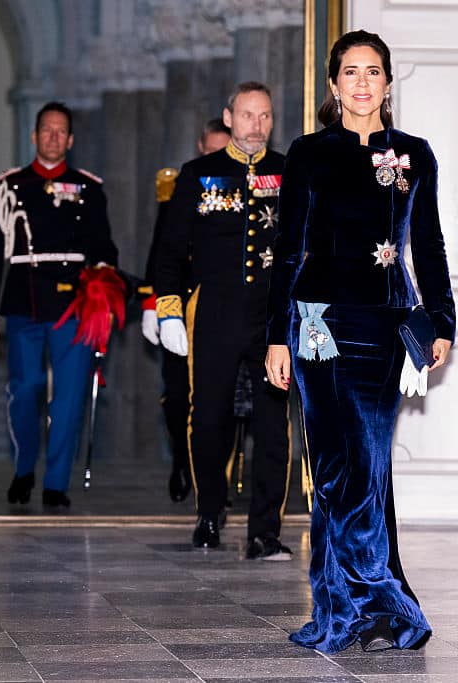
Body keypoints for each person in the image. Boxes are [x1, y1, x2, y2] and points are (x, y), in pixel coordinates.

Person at [265, 30, 455, 654]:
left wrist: (443, 324)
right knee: (335, 466)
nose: (363, 82)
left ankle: (369, 602)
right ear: (333, 86)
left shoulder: (415, 153)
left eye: (373, 71)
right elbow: (286, 251)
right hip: (319, 322)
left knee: (369, 464)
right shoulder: (308, 153)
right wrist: (277, 337)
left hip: (385, 323)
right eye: (351, 72)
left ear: (388, 82)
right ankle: (355, 603)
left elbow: (426, 244)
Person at [156, 83, 292, 555]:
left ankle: (264, 532)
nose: (258, 124)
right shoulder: (199, 174)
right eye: (249, 115)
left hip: (273, 319)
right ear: (229, 117)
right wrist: (168, 309)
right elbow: (170, 250)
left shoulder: (288, 172)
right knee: (208, 419)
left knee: (273, 426)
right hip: (213, 312)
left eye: (266, 116)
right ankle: (209, 513)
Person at [0, 101, 118, 509]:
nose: (54, 137)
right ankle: (24, 469)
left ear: (71, 140)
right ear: (34, 136)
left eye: (61, 131)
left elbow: (104, 246)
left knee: (70, 395)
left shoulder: (89, 187)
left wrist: (105, 286)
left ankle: (56, 482)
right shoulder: (9, 185)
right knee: (26, 389)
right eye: (47, 130)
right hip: (25, 300)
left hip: (75, 303)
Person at [140, 117, 231, 503]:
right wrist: (152, 304)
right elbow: (163, 251)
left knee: (225, 400)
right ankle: (182, 458)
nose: (214, 159)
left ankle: (216, 480)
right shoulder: (181, 187)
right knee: (178, 396)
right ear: (199, 148)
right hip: (181, 308)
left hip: (222, 309)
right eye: (209, 151)